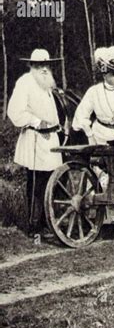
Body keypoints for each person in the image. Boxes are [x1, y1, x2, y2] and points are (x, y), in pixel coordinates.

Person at [7, 49, 63, 235]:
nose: (43, 69)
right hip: (35, 139)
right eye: (39, 65)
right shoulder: (25, 82)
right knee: (36, 183)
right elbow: (15, 111)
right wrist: (38, 122)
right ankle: (34, 225)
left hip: (52, 139)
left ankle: (50, 221)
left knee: (53, 181)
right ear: (31, 65)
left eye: (46, 65)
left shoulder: (48, 83)